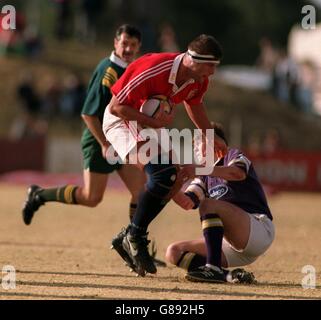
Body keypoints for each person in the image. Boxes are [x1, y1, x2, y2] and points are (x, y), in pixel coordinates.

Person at [22, 24, 166, 271]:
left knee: (142, 190)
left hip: (120, 138)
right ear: (115, 42)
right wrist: (104, 143)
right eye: (124, 44)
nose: (128, 48)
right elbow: (88, 114)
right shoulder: (109, 71)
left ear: (139, 47)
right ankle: (39, 195)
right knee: (92, 198)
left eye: (133, 45)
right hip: (100, 138)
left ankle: (136, 245)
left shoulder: (131, 69)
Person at [103, 34, 228, 276]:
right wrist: (152, 121)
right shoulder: (153, 68)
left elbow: (195, 105)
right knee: (162, 173)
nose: (212, 73)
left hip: (150, 124)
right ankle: (135, 236)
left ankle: (129, 235)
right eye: (210, 66)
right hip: (122, 120)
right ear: (194, 60)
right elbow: (117, 108)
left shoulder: (198, 79)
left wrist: (211, 137)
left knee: (173, 179)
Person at [166, 124, 275, 283]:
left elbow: (237, 173)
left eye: (199, 141)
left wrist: (199, 170)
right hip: (231, 244)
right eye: (194, 145)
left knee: (208, 205)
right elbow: (187, 202)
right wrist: (167, 183)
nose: (196, 148)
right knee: (174, 252)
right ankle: (229, 276)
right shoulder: (204, 176)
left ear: (215, 141)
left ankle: (213, 268)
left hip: (258, 229)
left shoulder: (232, 154)